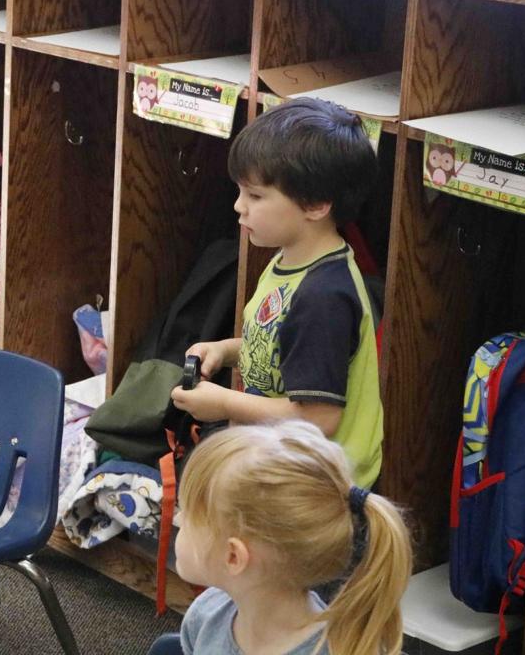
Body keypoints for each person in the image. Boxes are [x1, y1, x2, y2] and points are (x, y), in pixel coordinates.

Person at [170, 98, 383, 487]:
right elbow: (281, 347)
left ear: (316, 204)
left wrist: (223, 403)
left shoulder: (323, 297)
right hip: (282, 463)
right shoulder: (292, 259)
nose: (238, 207)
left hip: (317, 490)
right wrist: (225, 350)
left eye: (255, 196)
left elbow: (318, 419)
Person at [175, 420, 411, 655]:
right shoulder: (205, 614)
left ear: (233, 556)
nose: (177, 519)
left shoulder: (336, 649)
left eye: (186, 516)